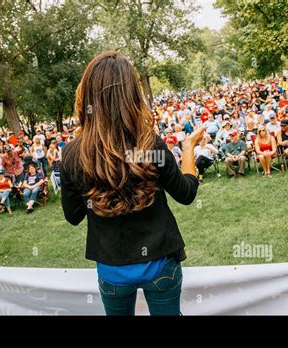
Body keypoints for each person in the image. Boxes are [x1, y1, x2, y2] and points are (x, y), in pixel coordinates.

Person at [60, 51, 204, 316]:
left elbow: (73, 216)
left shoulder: (72, 154)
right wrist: (187, 148)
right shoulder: (150, 145)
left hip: (112, 270)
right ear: (132, 94)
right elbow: (186, 193)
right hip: (160, 265)